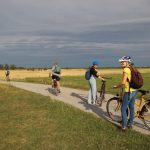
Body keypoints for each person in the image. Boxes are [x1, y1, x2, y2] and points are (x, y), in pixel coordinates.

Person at [113, 56, 137, 131]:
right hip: (135, 90)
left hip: (129, 91)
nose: (121, 63)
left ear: (127, 62)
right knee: (131, 107)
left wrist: (116, 86)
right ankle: (130, 124)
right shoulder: (132, 67)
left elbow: (123, 82)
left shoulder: (126, 69)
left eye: (123, 62)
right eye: (121, 62)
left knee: (123, 109)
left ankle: (123, 127)